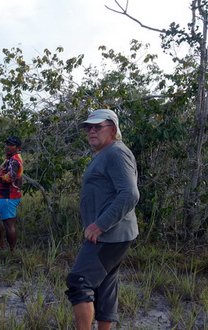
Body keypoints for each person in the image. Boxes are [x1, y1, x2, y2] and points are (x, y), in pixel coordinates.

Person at [65, 109, 139, 330]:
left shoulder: (116, 153)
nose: (91, 131)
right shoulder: (107, 153)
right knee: (105, 285)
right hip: (114, 235)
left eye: (98, 127)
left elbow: (130, 194)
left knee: (79, 282)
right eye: (89, 127)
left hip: (110, 234)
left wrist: (99, 225)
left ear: (113, 130)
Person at [0, 136, 24, 251]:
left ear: (18, 148)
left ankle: (12, 252)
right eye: (7, 144)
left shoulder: (14, 160)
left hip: (9, 197)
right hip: (2, 196)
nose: (7, 147)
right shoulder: (10, 158)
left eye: (11, 145)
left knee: (9, 225)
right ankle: (0, 243)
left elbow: (10, 178)